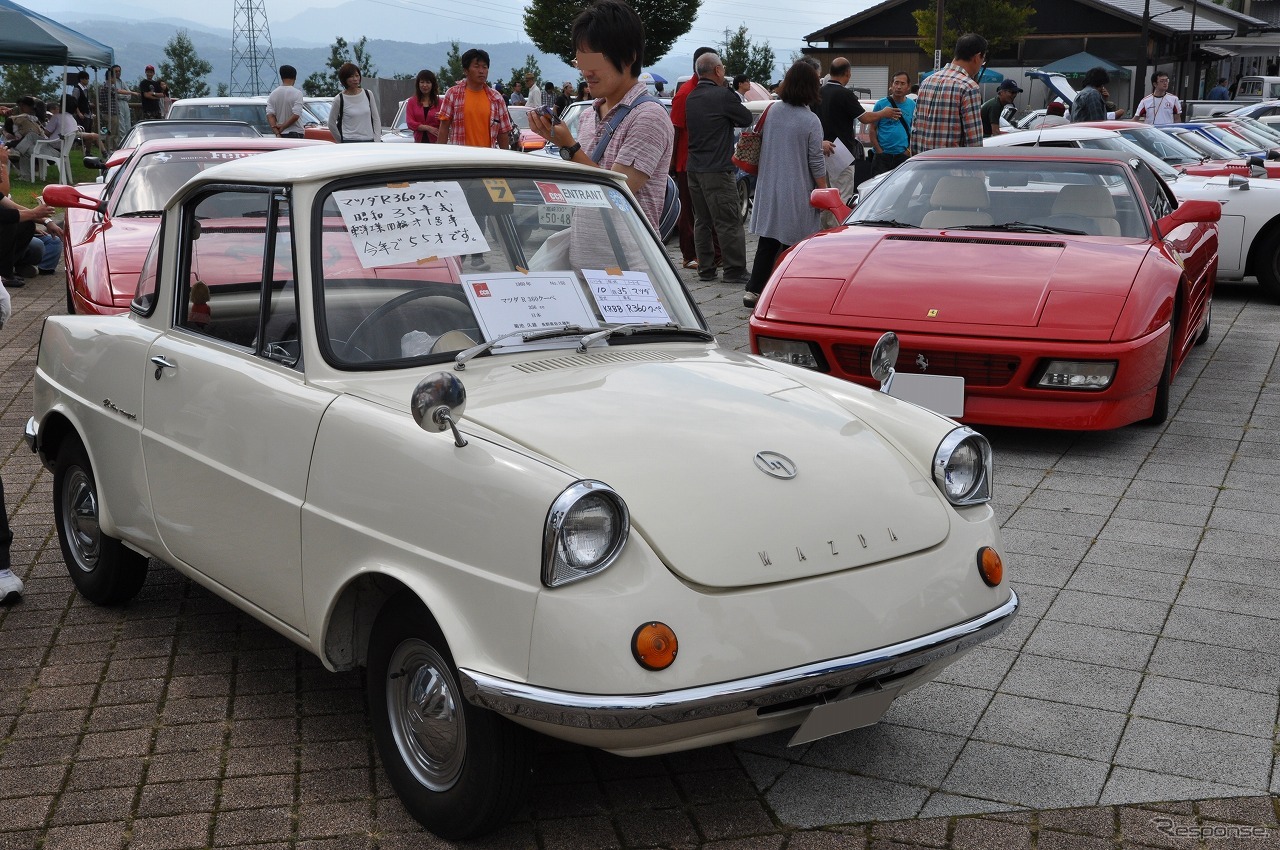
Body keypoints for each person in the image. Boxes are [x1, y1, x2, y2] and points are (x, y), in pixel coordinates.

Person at [526, 0, 673, 239]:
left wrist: (568, 146)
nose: (586, 71)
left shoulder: (649, 117)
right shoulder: (588, 116)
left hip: (629, 264)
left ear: (629, 58)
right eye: (581, 62)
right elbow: (580, 186)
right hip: (584, 257)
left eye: (595, 61)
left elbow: (615, 193)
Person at [744, 59, 828, 308]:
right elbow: (815, 162)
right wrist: (823, 189)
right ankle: (786, 288)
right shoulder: (810, 120)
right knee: (796, 243)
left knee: (768, 239)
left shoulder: (772, 110)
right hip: (797, 188)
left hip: (769, 184)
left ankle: (753, 289)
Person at [685, 51, 752, 286]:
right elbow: (745, 118)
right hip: (717, 167)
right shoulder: (723, 96)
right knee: (728, 220)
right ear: (717, 70)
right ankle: (734, 269)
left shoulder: (691, 96)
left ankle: (706, 269)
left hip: (694, 167)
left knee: (702, 221)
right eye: (722, 68)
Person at [820, 57, 901, 203]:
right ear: (848, 73)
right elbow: (865, 118)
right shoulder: (845, 94)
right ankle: (839, 226)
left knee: (823, 196)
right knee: (841, 198)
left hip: (821, 150)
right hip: (841, 153)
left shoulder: (818, 93)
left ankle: (824, 226)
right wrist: (884, 113)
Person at [670, 46, 721, 270]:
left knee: (711, 212)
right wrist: (672, 163)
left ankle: (714, 255)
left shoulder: (712, 90)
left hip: (708, 161)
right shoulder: (684, 94)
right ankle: (689, 255)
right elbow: (676, 131)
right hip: (686, 162)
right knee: (690, 213)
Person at [909, 32, 986, 153]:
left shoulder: (927, 82)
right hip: (951, 168)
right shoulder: (968, 87)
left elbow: (915, 129)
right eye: (983, 60)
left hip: (923, 165)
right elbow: (974, 141)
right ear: (977, 57)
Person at [437, 49, 513, 149]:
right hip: (461, 158)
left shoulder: (496, 98)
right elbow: (444, 127)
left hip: (488, 159)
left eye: (485, 67)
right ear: (465, 70)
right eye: (476, 67)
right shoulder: (453, 94)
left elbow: (503, 132)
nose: (481, 71)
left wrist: (505, 161)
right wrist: (440, 153)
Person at [868, 70, 914, 176]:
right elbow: (872, 129)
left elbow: (916, 132)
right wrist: (879, 151)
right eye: (896, 83)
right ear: (891, 85)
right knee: (878, 189)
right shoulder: (881, 104)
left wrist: (908, 151)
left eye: (902, 84)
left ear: (908, 86)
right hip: (882, 157)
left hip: (903, 156)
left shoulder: (912, 105)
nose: (898, 87)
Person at [327, 63, 383, 143]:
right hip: (350, 141)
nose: (355, 79)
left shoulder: (368, 94)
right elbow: (331, 123)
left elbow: (376, 119)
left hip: (369, 141)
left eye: (357, 76)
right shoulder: (339, 99)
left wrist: (377, 140)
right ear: (344, 79)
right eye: (351, 76)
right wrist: (341, 141)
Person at [266, 65, 306, 138]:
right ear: (295, 77)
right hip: (296, 132)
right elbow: (296, 115)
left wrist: (277, 132)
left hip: (280, 134)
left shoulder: (273, 94)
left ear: (281, 77)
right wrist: (283, 126)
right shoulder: (297, 93)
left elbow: (270, 115)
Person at [406, 69, 442, 143]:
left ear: (433, 84)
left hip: (436, 143)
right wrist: (427, 128)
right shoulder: (411, 102)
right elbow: (410, 123)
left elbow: (444, 122)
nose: (424, 85)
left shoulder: (440, 103)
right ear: (418, 84)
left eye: (428, 82)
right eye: (422, 82)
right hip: (418, 143)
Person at [112, 65, 136, 142]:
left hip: (125, 104)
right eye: (116, 71)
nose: (118, 73)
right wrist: (124, 95)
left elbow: (129, 94)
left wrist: (124, 96)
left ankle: (129, 140)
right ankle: (123, 141)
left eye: (119, 71)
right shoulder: (112, 82)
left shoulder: (122, 82)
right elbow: (116, 94)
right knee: (121, 124)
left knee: (127, 122)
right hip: (117, 104)